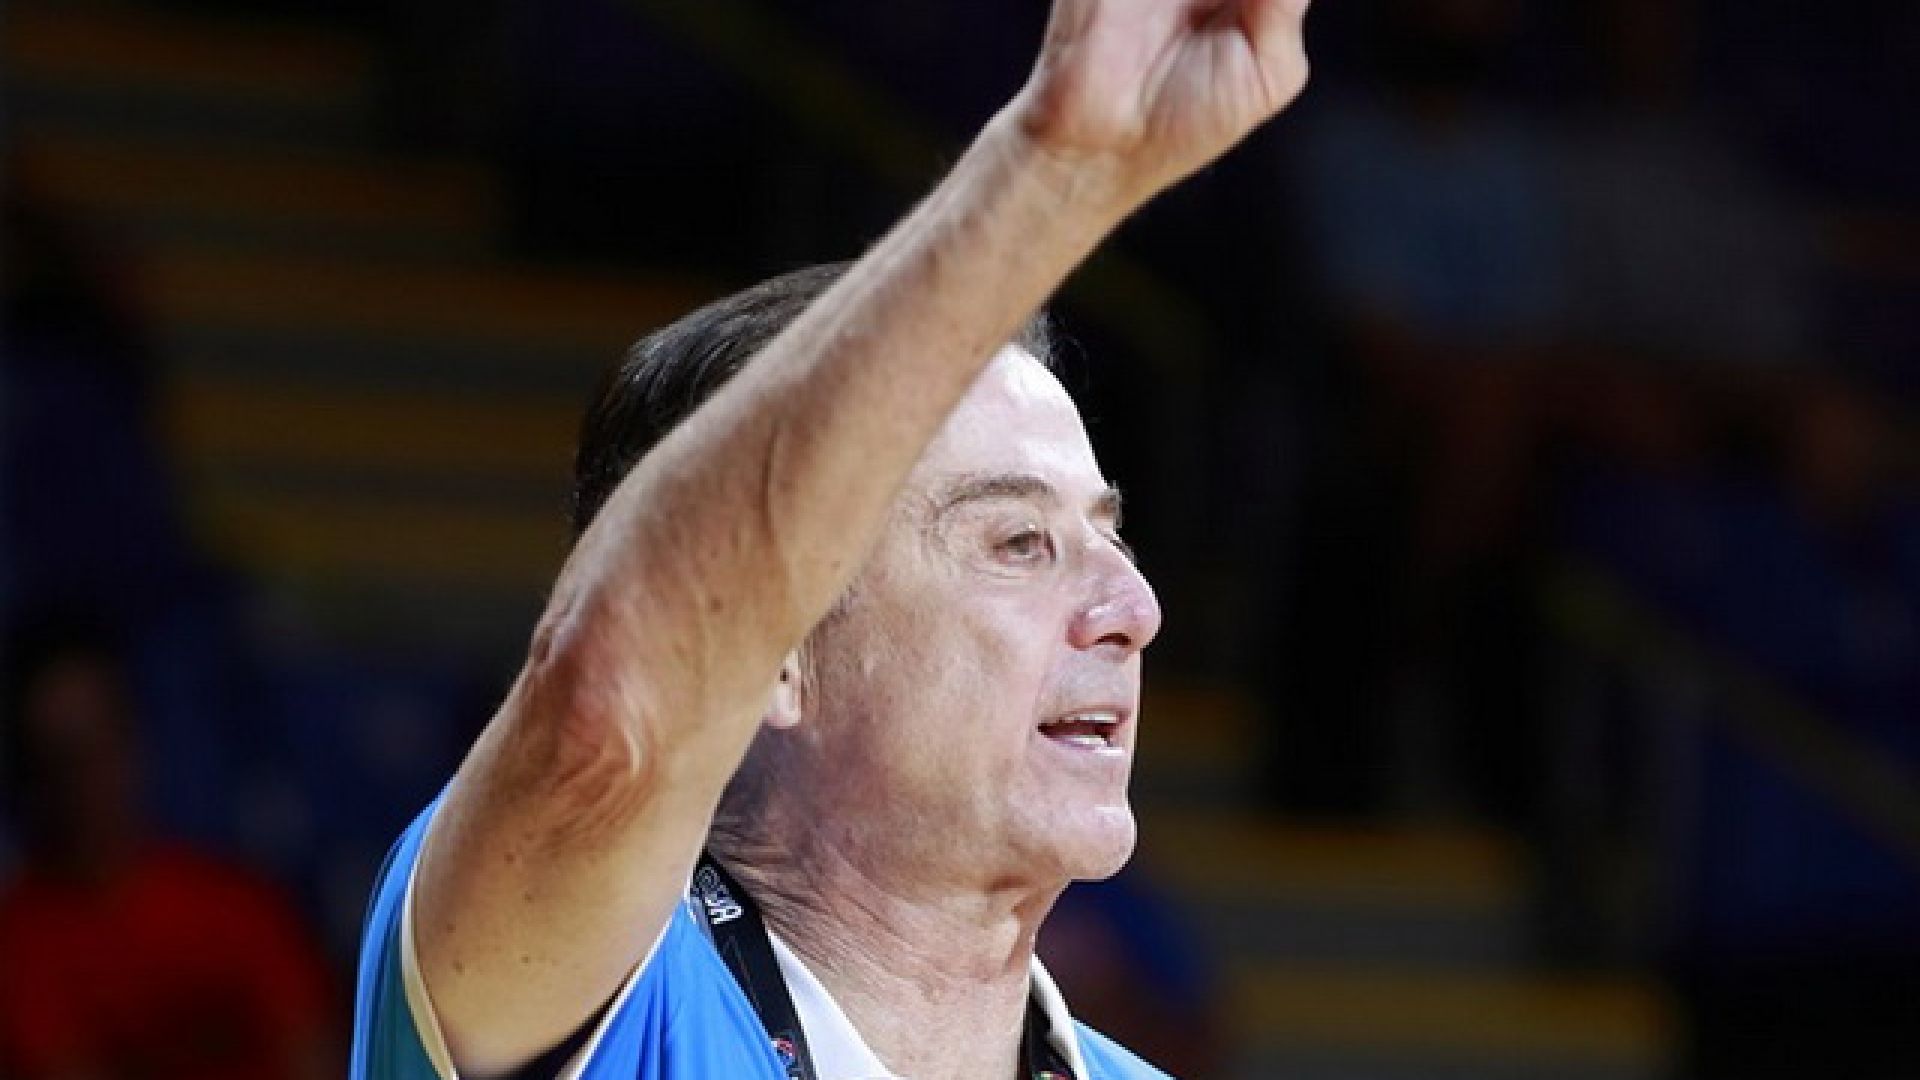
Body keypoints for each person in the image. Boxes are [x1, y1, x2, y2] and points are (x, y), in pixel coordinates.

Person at [351, 0, 1312, 1076]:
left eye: (1108, 537)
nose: (1135, 611)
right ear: (772, 654)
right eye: (1017, 543)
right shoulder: (606, 997)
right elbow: (613, 700)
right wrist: (1050, 176)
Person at [0, 618, 337, 1080]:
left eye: (100, 748)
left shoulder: (231, 906)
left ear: (135, 746)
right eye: (61, 760)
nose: (85, 782)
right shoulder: (20, 946)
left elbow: (312, 1049)